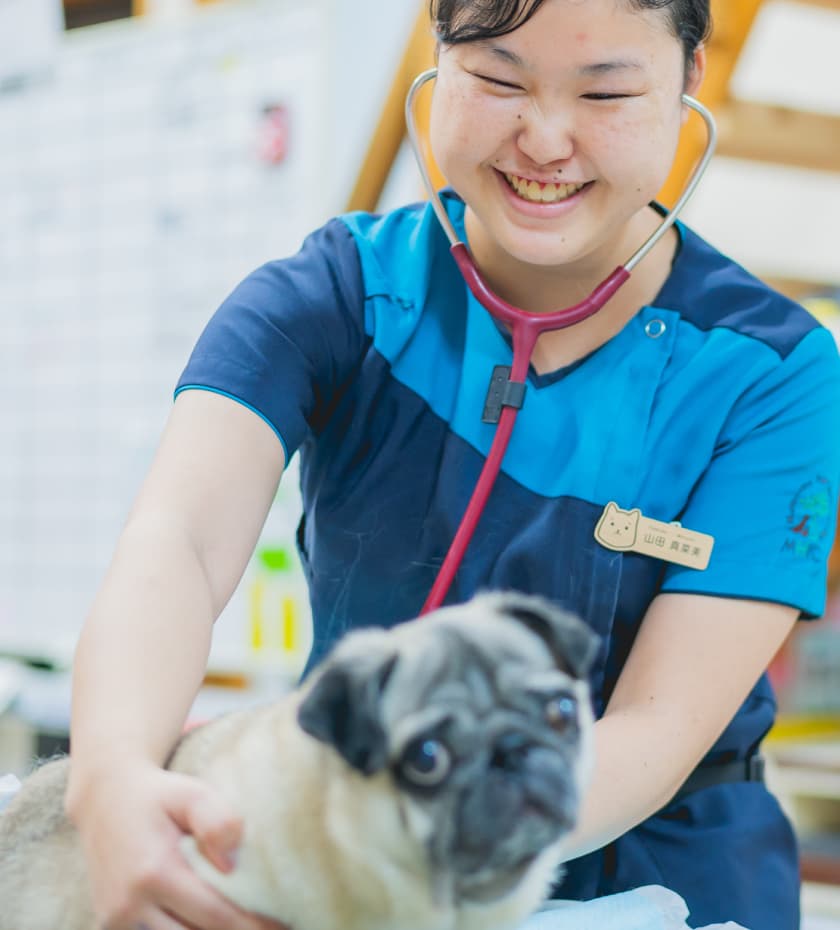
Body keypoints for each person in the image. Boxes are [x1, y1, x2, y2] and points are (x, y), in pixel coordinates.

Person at [64, 1, 840, 928]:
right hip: (361, 860)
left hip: (658, 882)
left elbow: (655, 730)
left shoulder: (775, 375)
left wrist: (419, 856)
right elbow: (180, 542)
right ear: (439, 61)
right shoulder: (338, 297)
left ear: (687, 87)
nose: (545, 139)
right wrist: (110, 782)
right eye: (500, 80)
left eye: (607, 92)